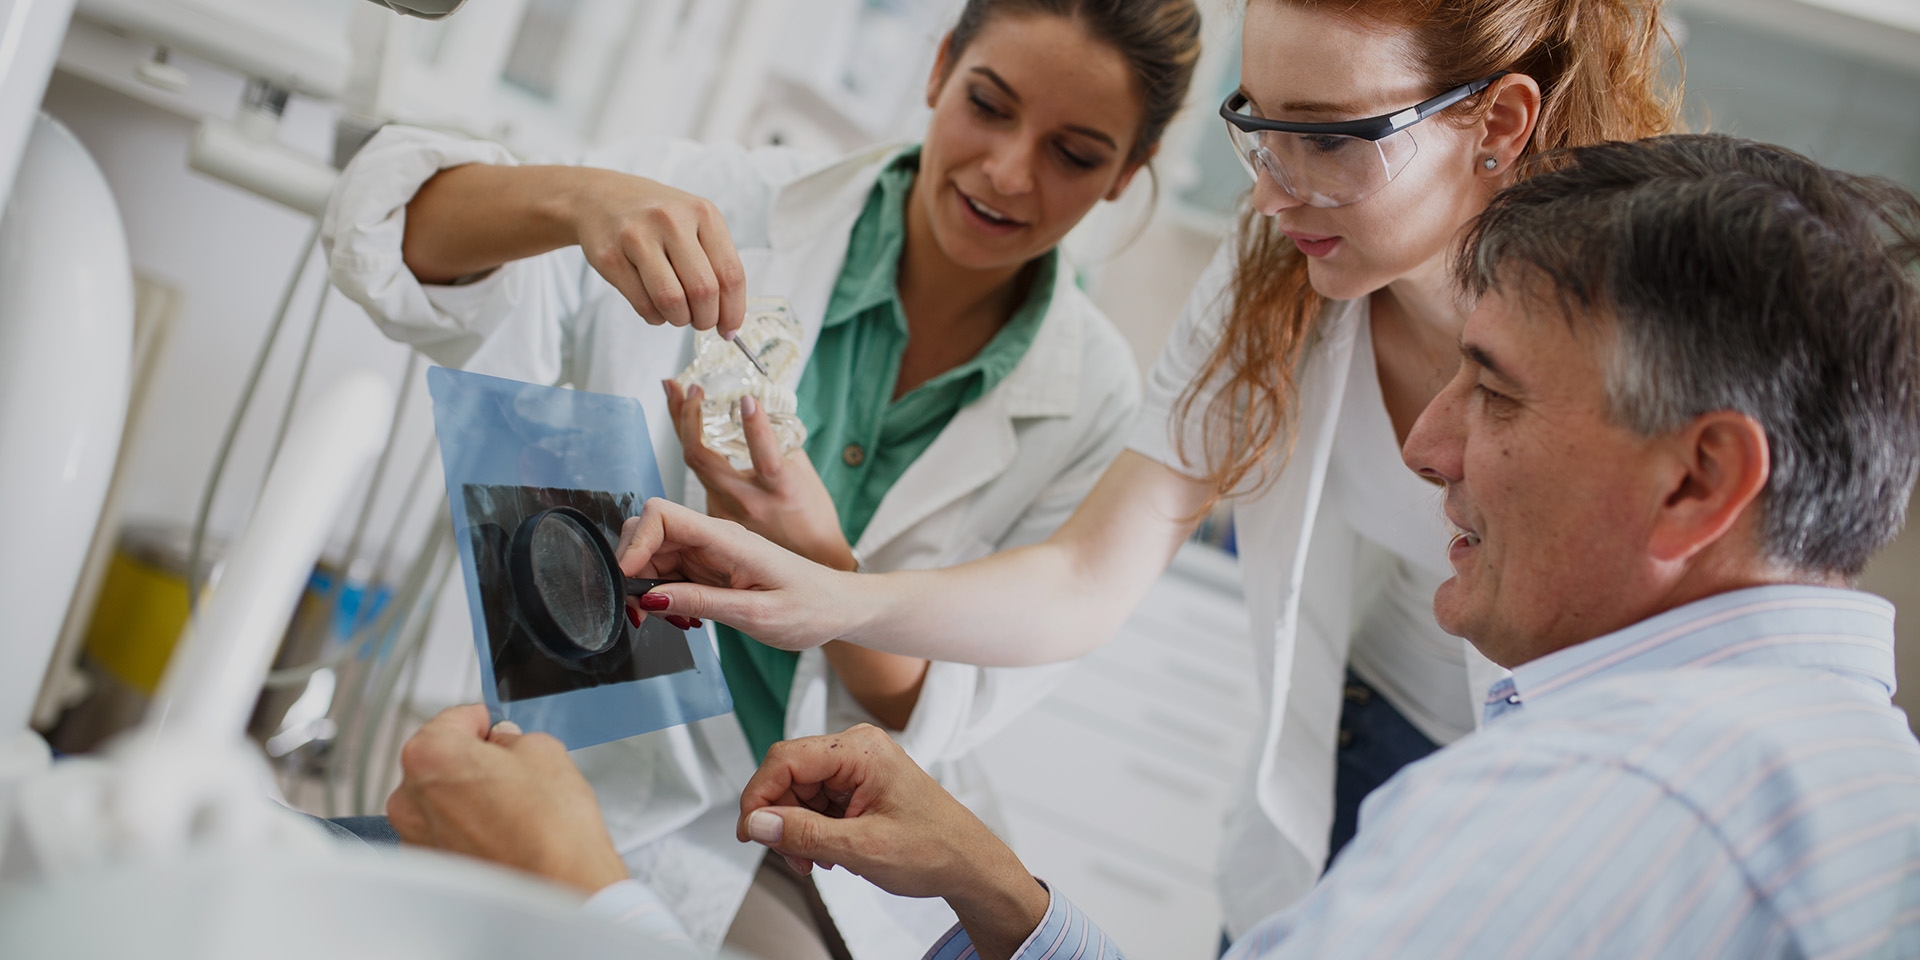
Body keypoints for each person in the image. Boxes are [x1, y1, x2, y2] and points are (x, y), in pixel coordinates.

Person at [392, 133, 1920, 959]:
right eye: (1265, 127)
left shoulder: (1576, 819)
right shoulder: (1824, 763)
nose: (1427, 445)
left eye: (1496, 393)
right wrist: (1008, 894)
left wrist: (578, 903)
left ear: (1703, 479)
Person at [610, 0, 1680, 935]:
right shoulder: (1281, 265)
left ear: (1495, 122)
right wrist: (831, 596)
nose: (1271, 195)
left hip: (1572, 776)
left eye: (1331, 141)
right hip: (1367, 728)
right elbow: (1087, 576)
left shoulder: (1646, 323)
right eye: (1260, 128)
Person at [320, 1, 1201, 954]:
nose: (1008, 172)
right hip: (584, 762)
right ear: (941, 67)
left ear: (1128, 173)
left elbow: (941, 703)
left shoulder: (1102, 404)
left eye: (1074, 154)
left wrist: (816, 556)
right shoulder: (726, 201)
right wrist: (574, 199)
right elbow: (392, 245)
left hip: (818, 847)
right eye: (988, 105)